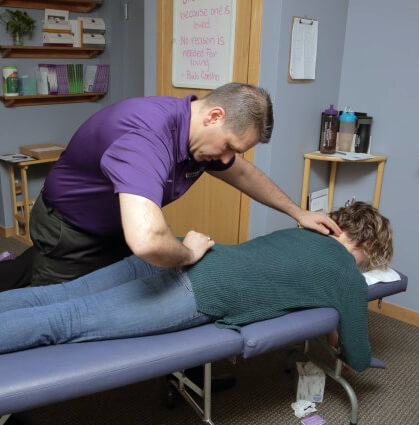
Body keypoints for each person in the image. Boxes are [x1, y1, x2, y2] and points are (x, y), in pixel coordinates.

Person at [0, 202, 393, 372]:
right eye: (367, 261)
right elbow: (356, 353)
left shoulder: (302, 232)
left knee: (59, 296)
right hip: (197, 290)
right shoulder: (346, 272)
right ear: (361, 247)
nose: (362, 269)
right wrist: (355, 345)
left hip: (178, 255)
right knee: (65, 322)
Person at [28, 82, 340, 286]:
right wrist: (187, 253)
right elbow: (148, 241)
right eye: (230, 146)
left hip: (116, 228)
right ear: (215, 116)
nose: (228, 157)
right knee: (52, 312)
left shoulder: (201, 140)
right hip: (68, 231)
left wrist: (298, 213)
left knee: (129, 295)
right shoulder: (146, 136)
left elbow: (243, 173)